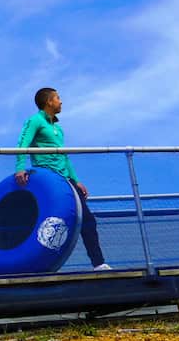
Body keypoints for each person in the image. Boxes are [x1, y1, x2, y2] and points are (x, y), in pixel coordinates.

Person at [15, 87, 111, 271]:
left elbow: (64, 157)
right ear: (49, 102)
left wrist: (76, 180)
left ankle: (98, 264)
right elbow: (22, 144)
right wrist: (20, 168)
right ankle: (34, 266)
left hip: (66, 179)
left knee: (88, 220)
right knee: (49, 222)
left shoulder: (57, 128)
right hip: (48, 178)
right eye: (58, 98)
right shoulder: (35, 121)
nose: (61, 101)